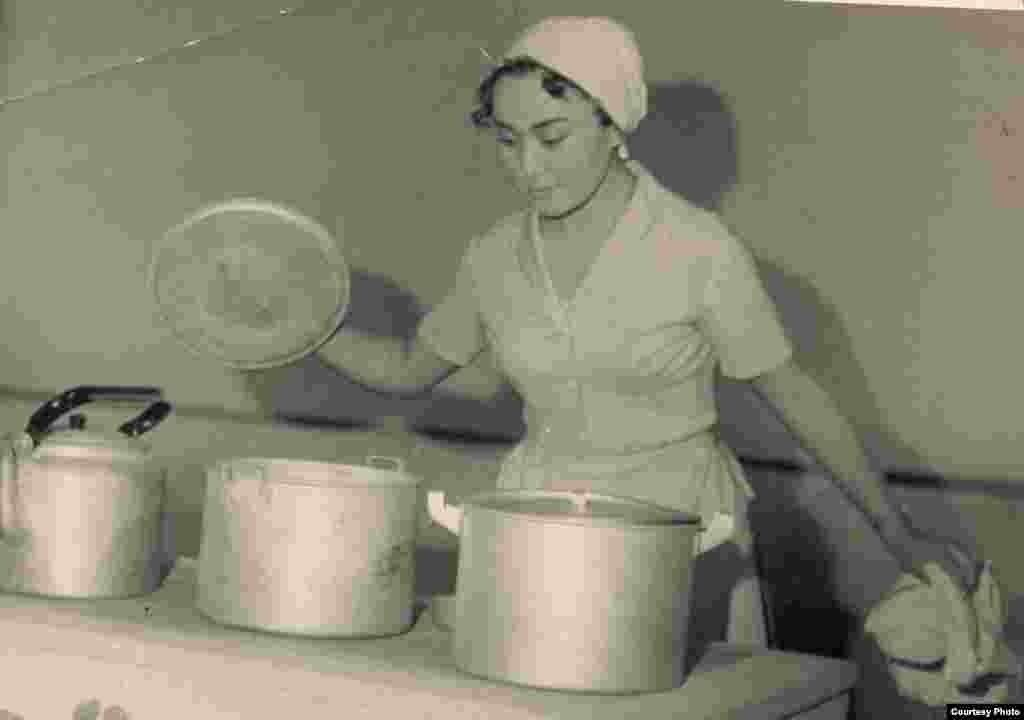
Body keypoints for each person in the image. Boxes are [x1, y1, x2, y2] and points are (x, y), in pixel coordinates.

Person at [317, 15, 977, 648]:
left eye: (552, 138)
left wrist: (900, 534)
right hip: (539, 522)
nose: (528, 168)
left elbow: (796, 396)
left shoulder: (696, 249)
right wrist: (305, 330)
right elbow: (408, 369)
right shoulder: (492, 255)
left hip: (677, 530)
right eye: (508, 141)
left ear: (613, 126)